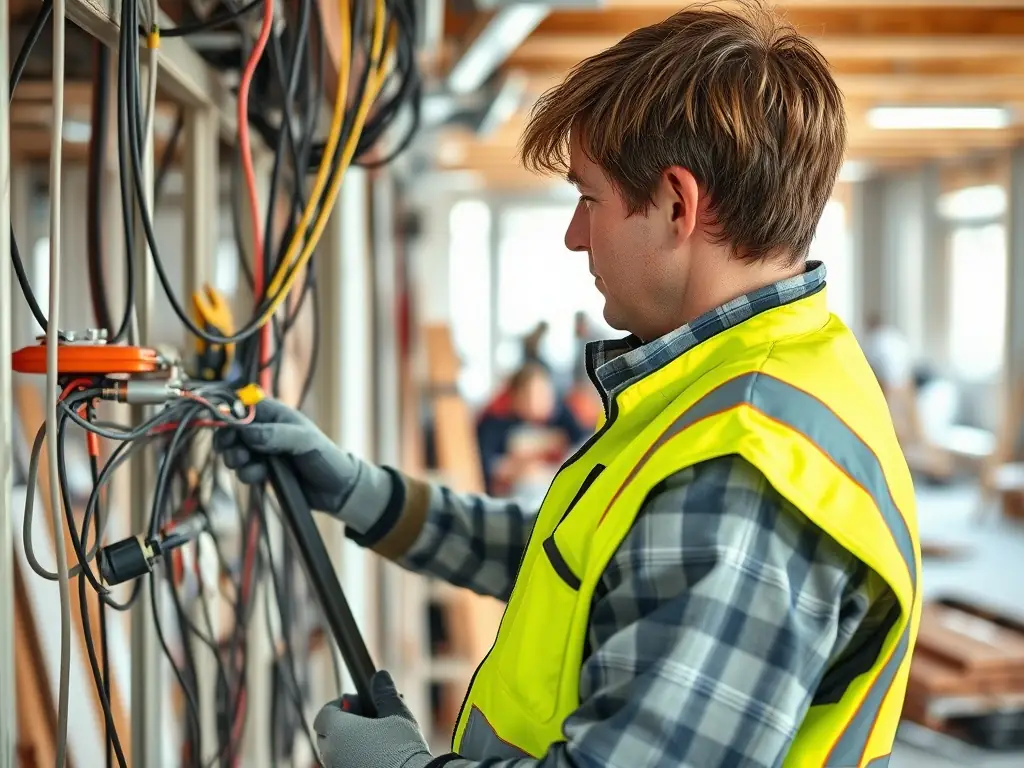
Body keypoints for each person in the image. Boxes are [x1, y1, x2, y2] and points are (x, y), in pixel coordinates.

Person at [215, 3, 921, 766]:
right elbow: (580, 566)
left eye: (589, 198)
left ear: (678, 206)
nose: (574, 234)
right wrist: (360, 492)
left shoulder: (741, 471)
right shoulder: (769, 371)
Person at [476, 362, 588, 497]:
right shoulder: (496, 422)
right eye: (536, 395)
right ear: (516, 398)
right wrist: (514, 469)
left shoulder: (562, 416)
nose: (545, 401)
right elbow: (485, 463)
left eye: (547, 393)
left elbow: (584, 442)